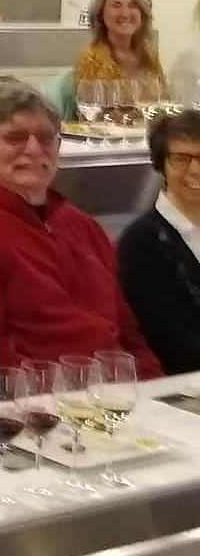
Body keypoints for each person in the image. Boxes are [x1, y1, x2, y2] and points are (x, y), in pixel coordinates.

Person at [0, 81, 161, 376]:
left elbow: (128, 333)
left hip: (116, 394)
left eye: (46, 138)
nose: (34, 149)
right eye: (15, 137)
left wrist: (157, 392)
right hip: (39, 401)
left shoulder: (83, 225)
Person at [117, 111, 200, 374]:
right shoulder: (141, 243)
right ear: (160, 164)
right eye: (181, 159)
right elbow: (170, 342)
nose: (196, 170)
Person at [74, 0, 166, 89]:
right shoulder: (90, 61)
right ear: (101, 14)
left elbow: (164, 99)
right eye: (116, 5)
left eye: (133, 5)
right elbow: (90, 103)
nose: (125, 13)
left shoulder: (149, 56)